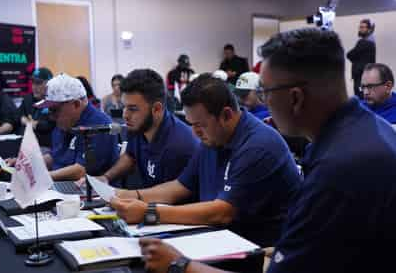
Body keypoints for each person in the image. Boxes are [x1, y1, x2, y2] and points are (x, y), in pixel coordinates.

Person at [139, 28, 396, 273]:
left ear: (295, 98)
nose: (261, 101)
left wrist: (178, 264)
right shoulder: (369, 132)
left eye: (265, 91)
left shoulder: (338, 171)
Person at [110, 73, 300, 248]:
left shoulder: (258, 146)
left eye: (200, 125)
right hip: (220, 239)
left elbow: (223, 213)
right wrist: (129, 195)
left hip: (259, 249)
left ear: (226, 115)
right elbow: (180, 186)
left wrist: (147, 212)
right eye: (191, 124)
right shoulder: (212, 138)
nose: (194, 132)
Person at [90, 69, 198, 189]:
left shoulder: (179, 146)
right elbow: (130, 156)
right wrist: (106, 177)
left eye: (133, 109)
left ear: (156, 109)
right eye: (124, 107)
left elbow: (170, 198)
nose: (125, 115)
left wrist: (124, 197)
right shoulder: (139, 127)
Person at [32, 73, 119, 181]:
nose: (51, 116)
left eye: (54, 110)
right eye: (49, 110)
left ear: (76, 104)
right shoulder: (65, 122)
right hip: (63, 187)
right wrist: (29, 165)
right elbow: (55, 156)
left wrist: (42, 177)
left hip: (89, 192)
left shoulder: (99, 125)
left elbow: (81, 171)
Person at [18, 67, 55, 149]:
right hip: (26, 144)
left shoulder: (54, 101)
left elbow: (49, 125)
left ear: (50, 84)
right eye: (33, 83)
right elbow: (18, 116)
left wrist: (33, 124)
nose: (34, 87)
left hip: (47, 147)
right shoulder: (28, 99)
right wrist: (30, 123)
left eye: (38, 83)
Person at [347, 18, 376, 98]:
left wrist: (355, 59)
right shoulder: (371, 41)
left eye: (363, 27)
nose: (360, 29)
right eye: (360, 27)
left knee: (360, 99)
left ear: (369, 29)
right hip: (365, 76)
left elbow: (349, 54)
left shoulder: (363, 42)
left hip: (361, 77)